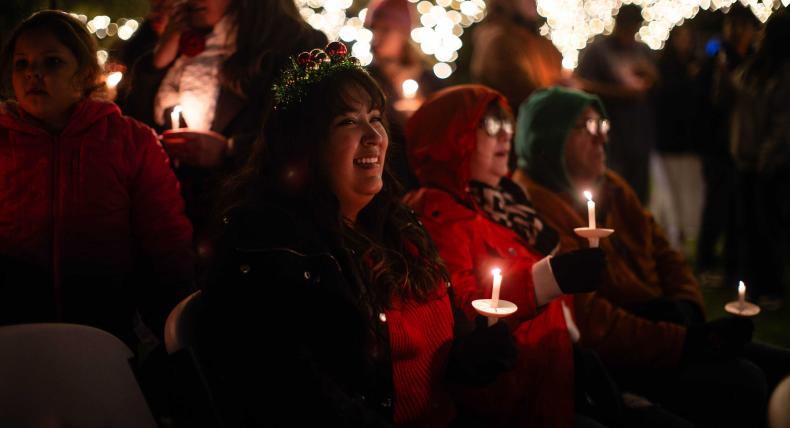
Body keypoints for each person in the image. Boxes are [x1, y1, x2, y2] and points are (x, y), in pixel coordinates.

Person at [196, 43, 515, 427]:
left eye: (376, 118)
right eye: (347, 122)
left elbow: (428, 356)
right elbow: (300, 398)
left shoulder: (398, 225)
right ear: (304, 145)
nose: (374, 135)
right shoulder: (271, 248)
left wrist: (473, 354)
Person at [513, 86, 772, 428]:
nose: (602, 137)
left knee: (776, 366)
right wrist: (684, 341)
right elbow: (591, 319)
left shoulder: (613, 186)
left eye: (603, 125)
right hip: (625, 355)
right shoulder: (533, 209)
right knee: (746, 381)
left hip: (666, 329)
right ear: (549, 137)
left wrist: (687, 303)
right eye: (588, 127)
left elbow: (665, 253)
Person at [403, 84, 608, 427]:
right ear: (452, 137)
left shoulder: (508, 201)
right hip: (503, 401)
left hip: (547, 383)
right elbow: (463, 307)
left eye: (508, 124)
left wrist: (576, 350)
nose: (506, 135)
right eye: (490, 126)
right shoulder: (437, 212)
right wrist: (549, 279)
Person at [0, 10, 194, 344]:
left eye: (52, 62)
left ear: (86, 73)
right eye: (22, 63)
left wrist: (174, 330)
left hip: (106, 333)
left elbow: (166, 241)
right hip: (14, 332)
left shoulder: (131, 142)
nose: (33, 72)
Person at [124, 0, 326, 251]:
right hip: (172, 220)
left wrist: (230, 150)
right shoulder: (176, 40)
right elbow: (132, 126)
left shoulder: (296, 45)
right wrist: (159, 60)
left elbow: (309, 133)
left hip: (250, 226)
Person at [730, 8, 790, 309]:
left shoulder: (783, 75)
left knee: (769, 227)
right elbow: (733, 87)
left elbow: (783, 123)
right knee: (748, 226)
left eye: (764, 32)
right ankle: (751, 284)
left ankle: (771, 287)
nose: (759, 35)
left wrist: (767, 157)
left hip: (770, 164)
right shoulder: (753, 69)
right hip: (746, 158)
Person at [574, 4, 658, 203]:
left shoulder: (641, 50)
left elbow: (656, 85)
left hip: (639, 133)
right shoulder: (598, 50)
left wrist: (651, 77)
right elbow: (582, 85)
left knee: (638, 194)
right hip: (610, 134)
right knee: (612, 190)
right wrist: (620, 93)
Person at [365, 0, 442, 190]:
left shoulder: (429, 80)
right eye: (374, 29)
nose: (377, 37)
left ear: (403, 33)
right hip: (386, 175)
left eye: (385, 30)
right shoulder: (368, 80)